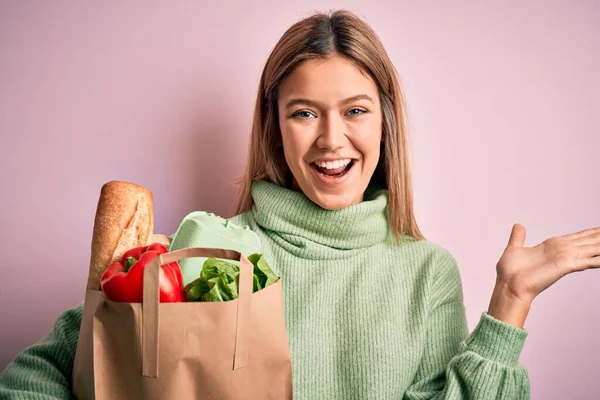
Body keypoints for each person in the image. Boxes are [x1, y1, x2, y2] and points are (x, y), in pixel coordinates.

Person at [1, 9, 598, 400]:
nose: (332, 139)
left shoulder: (425, 272)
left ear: (386, 123)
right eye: (304, 112)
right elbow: (53, 370)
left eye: (356, 110)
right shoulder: (216, 250)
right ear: (276, 127)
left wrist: (511, 301)